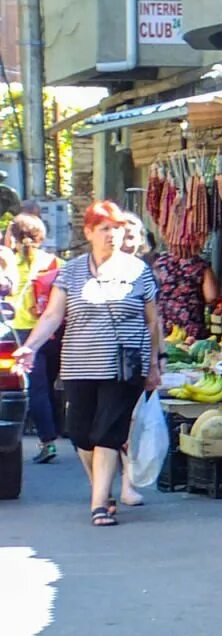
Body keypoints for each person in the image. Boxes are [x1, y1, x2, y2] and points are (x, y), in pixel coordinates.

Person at [16, 202, 163, 527]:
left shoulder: (139, 271)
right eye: (105, 229)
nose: (113, 235)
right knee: (81, 434)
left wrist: (154, 362)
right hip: (78, 364)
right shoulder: (70, 271)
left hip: (123, 366)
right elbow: (54, 315)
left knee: (108, 432)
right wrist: (30, 347)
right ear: (89, 233)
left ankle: (99, 504)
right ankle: (102, 488)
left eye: (117, 228)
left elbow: (153, 321)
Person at [8, 215, 62, 464]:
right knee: (50, 385)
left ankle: (48, 441)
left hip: (25, 333)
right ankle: (57, 429)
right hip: (56, 331)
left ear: (14, 237)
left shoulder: (8, 263)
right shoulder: (55, 262)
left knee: (36, 388)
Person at [148, 228, 219, 340]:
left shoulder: (160, 262)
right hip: (192, 328)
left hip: (164, 326)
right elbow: (211, 297)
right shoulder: (201, 265)